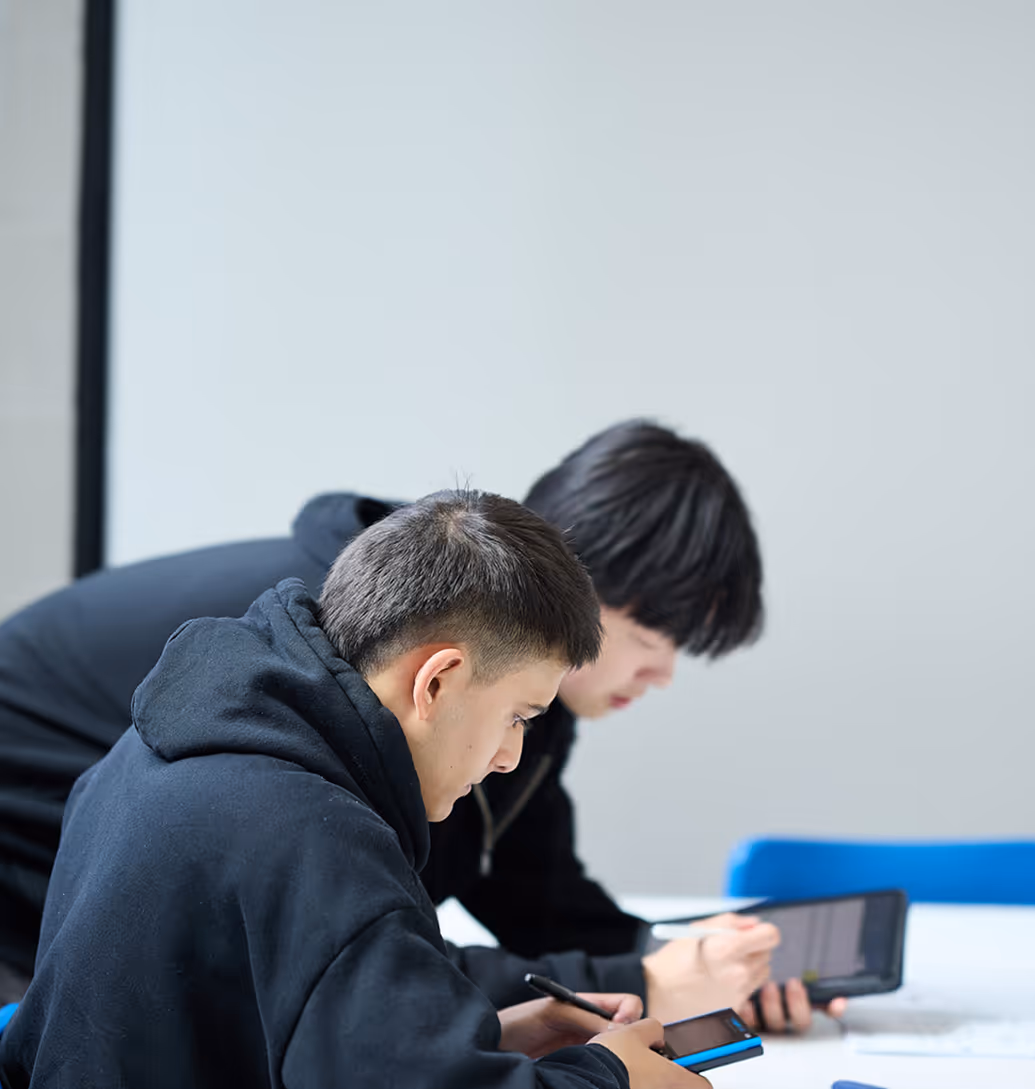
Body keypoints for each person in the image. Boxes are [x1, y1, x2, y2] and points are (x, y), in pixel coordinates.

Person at [0, 491, 713, 1089]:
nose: (507, 758)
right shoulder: (313, 836)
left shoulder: (166, 746)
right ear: (436, 680)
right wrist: (609, 1084)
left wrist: (483, 1038)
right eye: (518, 717)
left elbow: (254, 1036)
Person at [0, 422, 823, 1028]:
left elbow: (529, 891)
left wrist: (692, 961)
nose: (663, 673)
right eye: (652, 638)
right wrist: (637, 980)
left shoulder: (488, 685)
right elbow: (368, 955)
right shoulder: (335, 661)